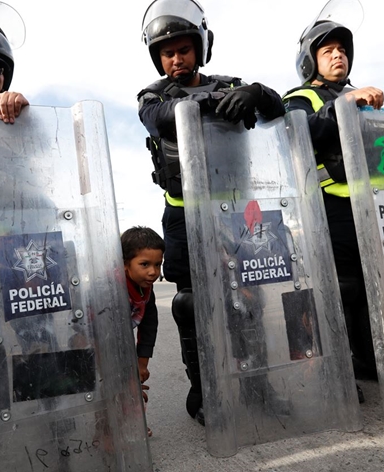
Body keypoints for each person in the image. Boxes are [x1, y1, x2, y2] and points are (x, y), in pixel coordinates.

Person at [137, 0, 285, 425]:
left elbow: (277, 114)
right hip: (185, 215)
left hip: (238, 213)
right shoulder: (154, 94)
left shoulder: (233, 83)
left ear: (200, 49)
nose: (176, 59)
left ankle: (260, 385)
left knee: (250, 297)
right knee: (190, 304)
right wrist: (211, 103)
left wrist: (256, 92)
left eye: (184, 49)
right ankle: (204, 392)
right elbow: (160, 116)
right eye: (167, 53)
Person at [282, 5, 384, 392]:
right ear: (309, 60)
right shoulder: (300, 97)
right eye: (327, 50)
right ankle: (336, 370)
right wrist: (343, 104)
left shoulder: (362, 97)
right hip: (329, 206)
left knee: (373, 286)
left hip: (374, 206)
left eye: (342, 50)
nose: (338, 55)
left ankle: (369, 360)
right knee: (341, 288)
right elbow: (298, 134)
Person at [121, 226, 165, 437]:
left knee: (133, 384)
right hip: (93, 341)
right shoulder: (112, 287)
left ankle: (132, 423)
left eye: (158, 264)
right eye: (144, 264)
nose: (153, 272)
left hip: (120, 338)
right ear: (124, 264)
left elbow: (149, 324)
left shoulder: (146, 287)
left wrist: (141, 363)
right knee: (113, 387)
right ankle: (105, 433)